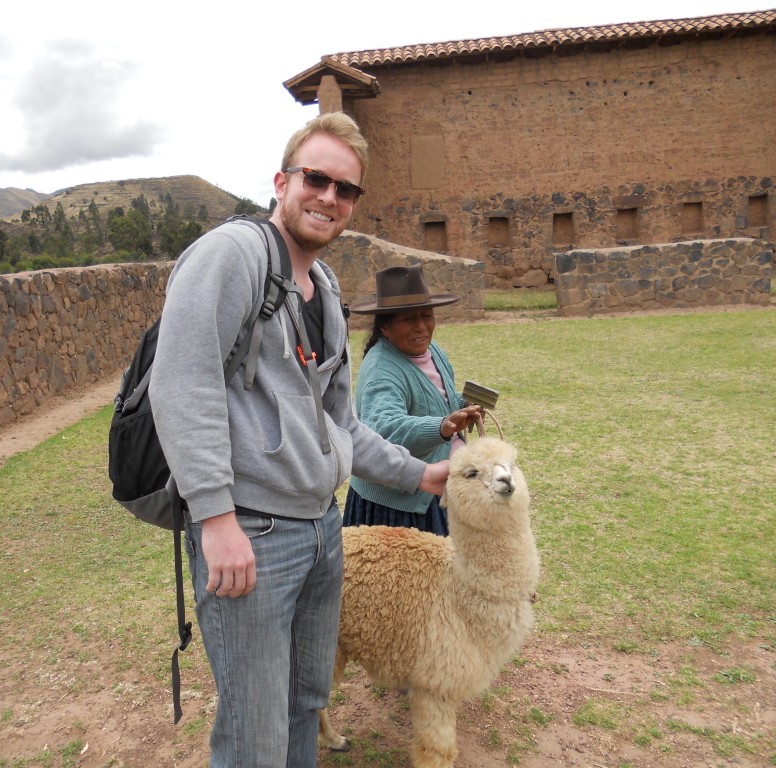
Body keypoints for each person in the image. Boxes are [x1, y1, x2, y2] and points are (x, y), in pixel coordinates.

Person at [148, 112, 449, 768]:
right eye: (317, 179)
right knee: (254, 730)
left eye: (347, 189)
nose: (330, 198)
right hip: (252, 534)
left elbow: (338, 420)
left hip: (320, 529)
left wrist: (419, 474)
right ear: (283, 181)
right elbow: (181, 383)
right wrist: (216, 518)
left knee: (304, 704)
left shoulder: (326, 287)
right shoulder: (231, 257)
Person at [344, 264, 484, 536]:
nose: (421, 326)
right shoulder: (381, 371)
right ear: (385, 326)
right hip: (400, 506)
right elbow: (385, 431)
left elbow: (436, 400)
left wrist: (462, 405)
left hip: (437, 489)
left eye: (427, 315)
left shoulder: (433, 352)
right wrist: (442, 427)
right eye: (409, 319)